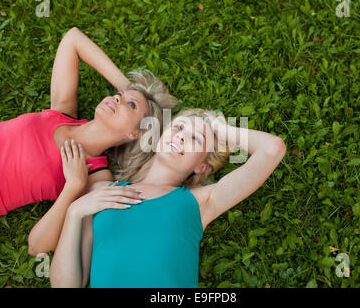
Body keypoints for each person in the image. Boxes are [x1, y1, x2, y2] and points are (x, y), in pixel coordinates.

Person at [0, 27, 178, 240]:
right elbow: (72, 39)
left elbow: (39, 244)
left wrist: (73, 187)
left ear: (135, 133)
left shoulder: (95, 177)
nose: (117, 98)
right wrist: (133, 89)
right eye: (118, 95)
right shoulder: (61, 112)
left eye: (130, 105)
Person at [49, 108, 286, 288]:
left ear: (202, 167)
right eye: (179, 127)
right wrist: (74, 212)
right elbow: (66, 284)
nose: (182, 137)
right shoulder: (102, 190)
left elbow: (272, 148)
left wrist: (218, 129)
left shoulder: (200, 202)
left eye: (196, 139)